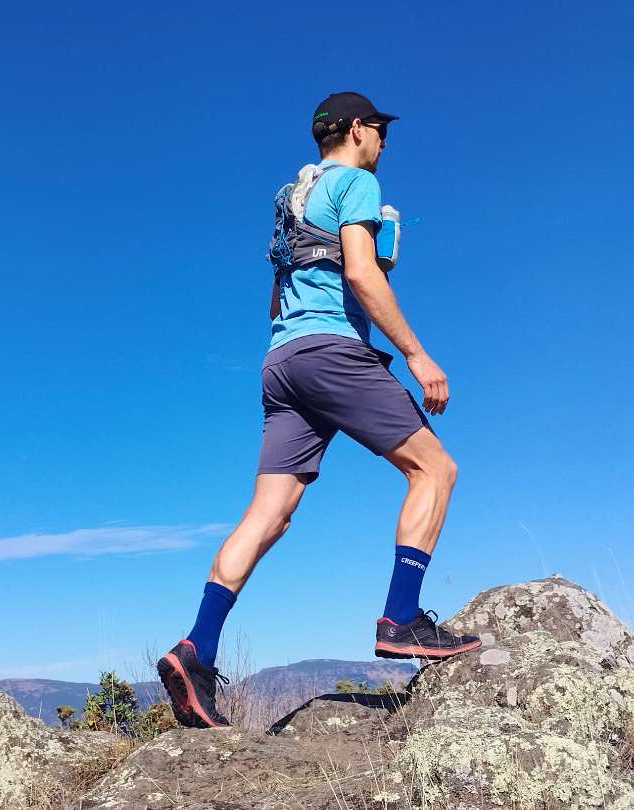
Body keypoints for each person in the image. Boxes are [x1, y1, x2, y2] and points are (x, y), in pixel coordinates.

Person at [157, 91, 480, 729]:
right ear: (358, 130)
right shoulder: (356, 183)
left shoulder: (290, 198)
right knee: (434, 470)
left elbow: (279, 302)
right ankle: (403, 618)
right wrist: (417, 356)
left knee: (268, 514)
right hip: (333, 351)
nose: (385, 144)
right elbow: (361, 276)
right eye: (381, 133)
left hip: (281, 362)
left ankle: (196, 648)